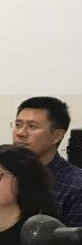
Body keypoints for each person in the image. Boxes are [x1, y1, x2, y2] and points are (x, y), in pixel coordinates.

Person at [12, 96, 82, 227]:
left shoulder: (76, 186)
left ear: (57, 136)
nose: (20, 133)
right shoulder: (2, 175)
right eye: (18, 125)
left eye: (32, 126)